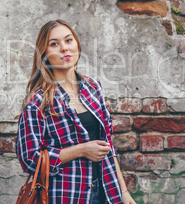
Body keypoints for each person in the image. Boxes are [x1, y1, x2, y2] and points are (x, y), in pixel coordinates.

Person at [16, 20, 136, 204]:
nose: (64, 48)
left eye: (68, 40)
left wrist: (124, 191)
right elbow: (30, 159)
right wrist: (81, 150)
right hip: (66, 195)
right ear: (45, 54)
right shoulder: (38, 102)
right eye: (54, 44)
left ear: (77, 45)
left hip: (106, 191)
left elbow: (108, 145)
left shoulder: (93, 87)